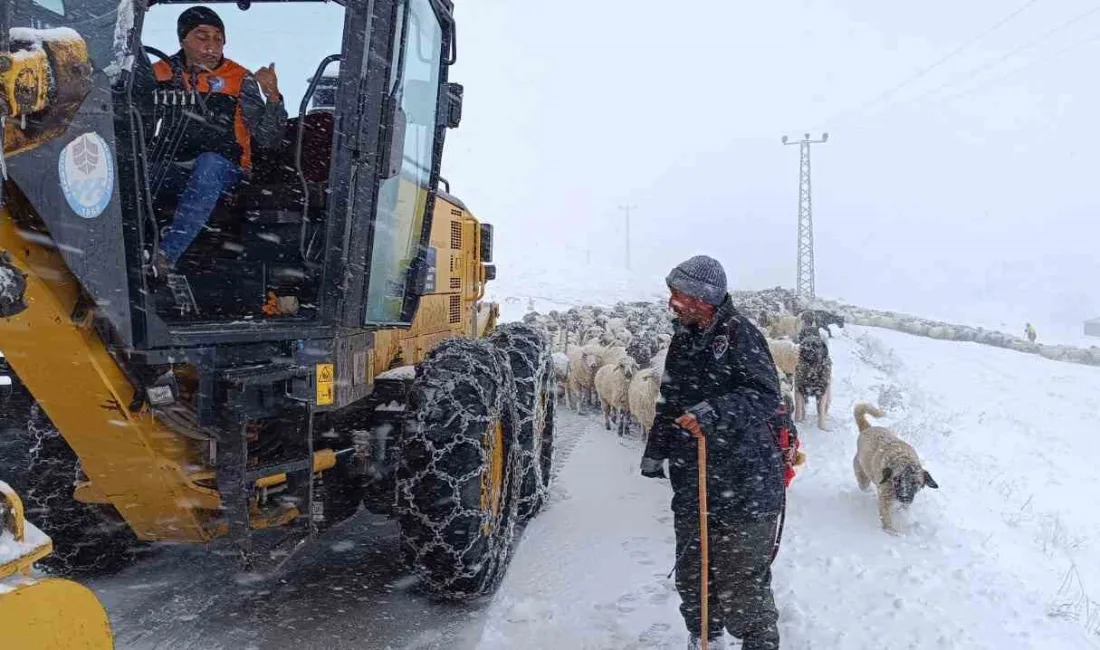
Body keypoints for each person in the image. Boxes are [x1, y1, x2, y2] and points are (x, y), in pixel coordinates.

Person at [640, 255, 784, 650]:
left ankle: (758, 642)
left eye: (679, 294)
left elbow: (766, 395)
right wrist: (657, 449)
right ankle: (705, 636)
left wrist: (713, 412)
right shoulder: (683, 338)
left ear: (703, 298)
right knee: (694, 571)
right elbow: (670, 397)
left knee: (740, 579)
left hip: (744, 481)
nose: (672, 302)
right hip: (695, 479)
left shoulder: (740, 335)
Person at [151, 6, 287, 272]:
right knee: (128, 170)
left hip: (227, 170)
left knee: (209, 164)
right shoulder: (158, 73)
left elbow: (268, 137)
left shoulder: (238, 79)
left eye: (218, 38)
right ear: (183, 40)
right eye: (202, 37)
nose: (211, 46)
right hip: (173, 166)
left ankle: (165, 256)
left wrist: (272, 95)